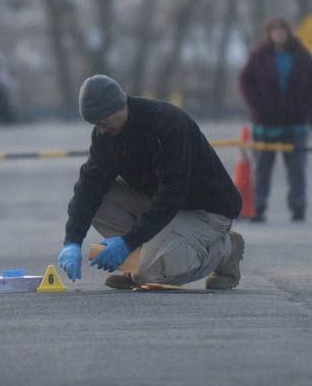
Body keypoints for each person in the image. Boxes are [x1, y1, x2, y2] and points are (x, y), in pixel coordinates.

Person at [57, 75, 245, 290]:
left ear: (117, 107)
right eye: (95, 125)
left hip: (205, 211)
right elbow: (89, 185)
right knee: (99, 197)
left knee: (151, 276)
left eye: (101, 122)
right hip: (162, 205)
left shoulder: (167, 124)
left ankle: (225, 250)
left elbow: (172, 195)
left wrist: (127, 242)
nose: (100, 130)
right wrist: (72, 241)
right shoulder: (107, 134)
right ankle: (140, 263)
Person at [238, 17, 312, 223]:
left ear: (288, 32)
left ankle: (298, 208)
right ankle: (258, 208)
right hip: (266, 123)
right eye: (274, 31)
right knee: (262, 169)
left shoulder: (302, 56)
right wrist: (257, 106)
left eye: (282, 30)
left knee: (297, 169)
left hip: (295, 124)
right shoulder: (259, 56)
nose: (279, 34)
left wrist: (306, 111)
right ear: (269, 34)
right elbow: (245, 82)